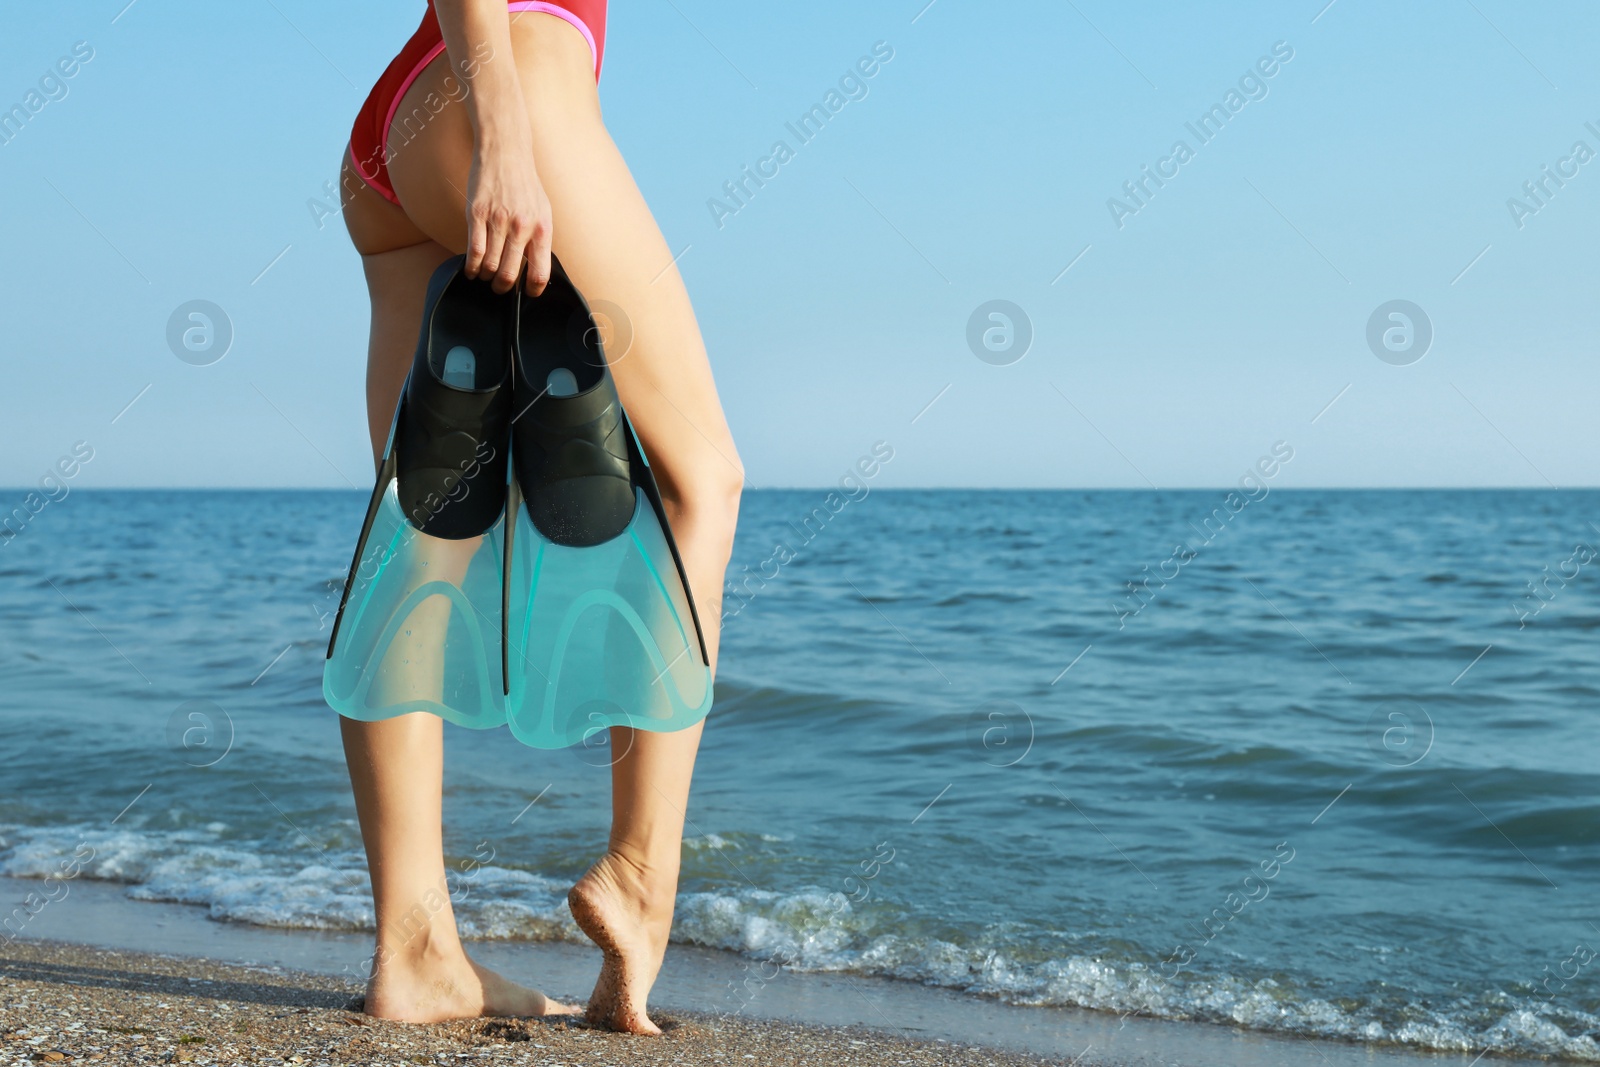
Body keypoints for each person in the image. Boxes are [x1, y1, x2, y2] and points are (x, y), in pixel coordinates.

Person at [335, 0, 742, 1034]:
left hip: (401, 130)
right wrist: (506, 141)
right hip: (505, 84)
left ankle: (415, 950)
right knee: (703, 476)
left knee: (422, 536)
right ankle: (643, 877)